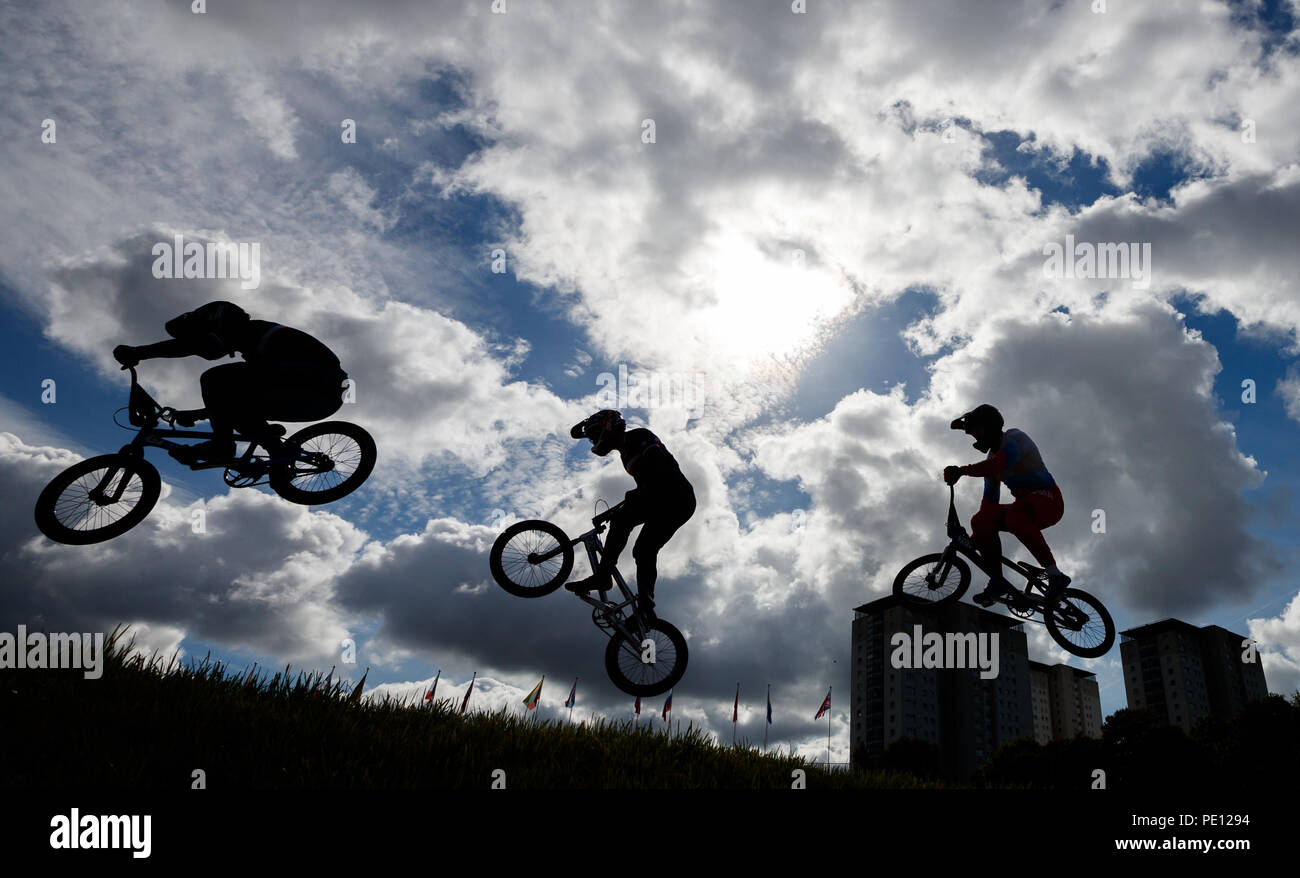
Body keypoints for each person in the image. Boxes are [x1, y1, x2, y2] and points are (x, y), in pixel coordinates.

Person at [112, 301, 348, 465]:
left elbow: (189, 347)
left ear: (217, 323)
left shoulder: (249, 331)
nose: (206, 343)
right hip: (313, 394)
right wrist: (199, 414)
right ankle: (277, 452)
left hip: (314, 385)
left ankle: (223, 447)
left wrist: (139, 352)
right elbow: (228, 401)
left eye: (206, 334)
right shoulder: (256, 345)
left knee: (215, 379)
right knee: (235, 404)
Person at [565, 410, 696, 619]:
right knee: (634, 538)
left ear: (609, 427)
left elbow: (659, 473)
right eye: (591, 437)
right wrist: (614, 510)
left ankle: (608, 579)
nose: (593, 440)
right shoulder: (625, 454)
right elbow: (645, 489)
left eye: (595, 434)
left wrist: (631, 499)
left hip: (677, 497)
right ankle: (642, 606)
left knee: (641, 545)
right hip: (659, 498)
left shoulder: (640, 436)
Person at [943, 404, 1071, 605]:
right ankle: (997, 581)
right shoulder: (991, 459)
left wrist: (961, 471)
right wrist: (975, 539)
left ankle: (1056, 575)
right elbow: (989, 507)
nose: (976, 437)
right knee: (980, 519)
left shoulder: (1014, 439)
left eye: (977, 431)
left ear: (991, 426)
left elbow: (997, 465)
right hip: (1025, 506)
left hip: (1049, 501)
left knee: (1015, 517)